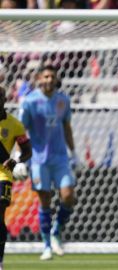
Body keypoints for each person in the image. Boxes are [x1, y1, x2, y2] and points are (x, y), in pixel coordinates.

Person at [19, 65, 78, 260]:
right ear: (39, 78)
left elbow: (67, 127)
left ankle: (56, 232)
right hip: (38, 160)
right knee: (45, 201)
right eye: (46, 76)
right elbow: (21, 131)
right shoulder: (30, 102)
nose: (49, 79)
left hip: (60, 158)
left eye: (52, 76)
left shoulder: (63, 100)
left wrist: (74, 152)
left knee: (68, 196)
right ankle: (46, 246)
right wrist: (18, 158)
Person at [0, 86, 32, 270]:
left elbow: (27, 150)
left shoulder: (14, 124)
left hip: (2, 174)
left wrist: (17, 160)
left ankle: (0, 262)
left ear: (4, 99)